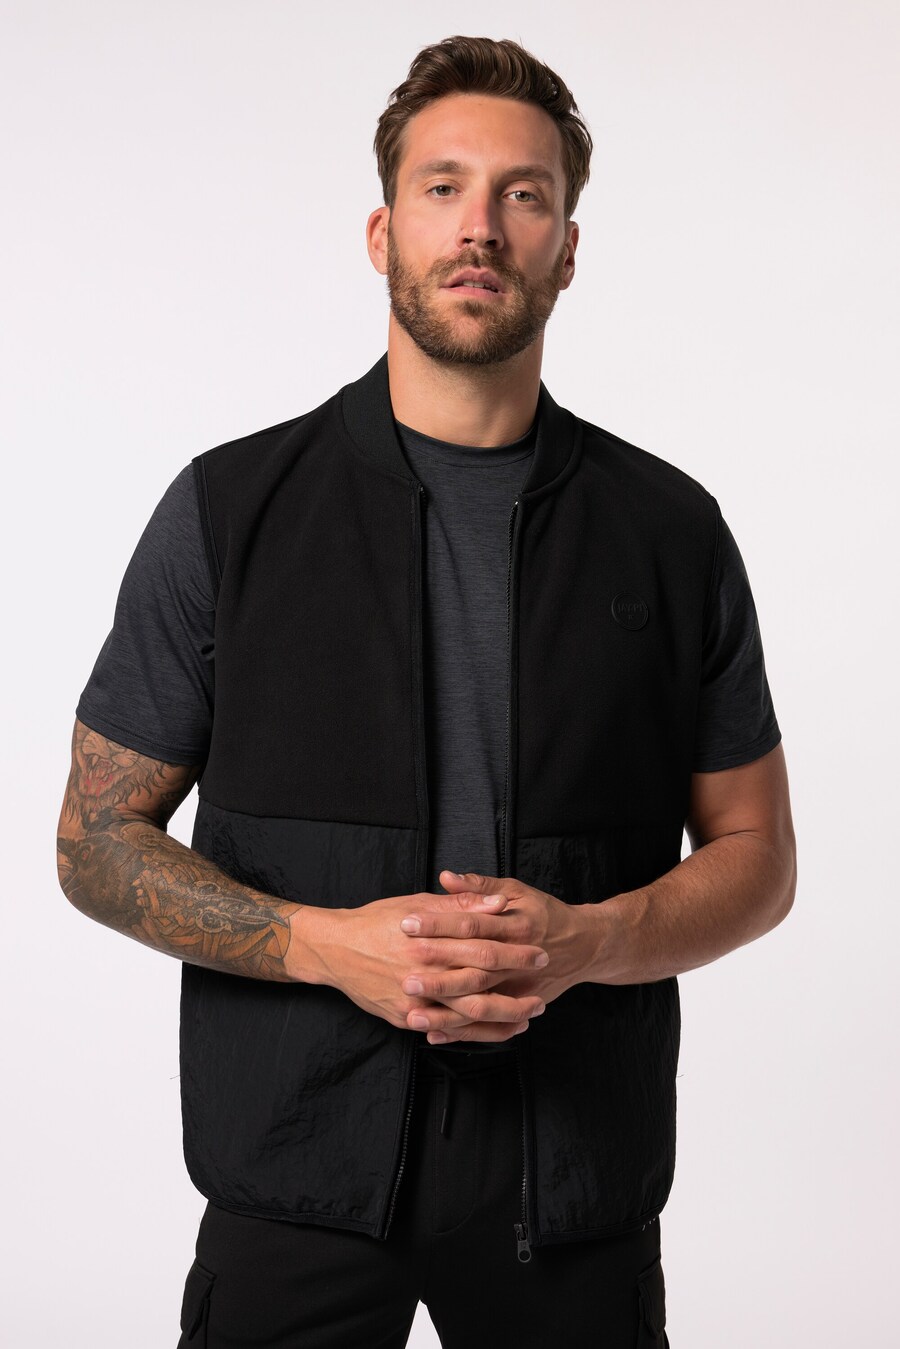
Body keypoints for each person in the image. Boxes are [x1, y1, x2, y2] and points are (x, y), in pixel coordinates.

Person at [56, 34, 796, 1349]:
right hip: (292, 1165)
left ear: (568, 248)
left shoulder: (669, 532)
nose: (481, 227)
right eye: (444, 187)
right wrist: (319, 945)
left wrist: (585, 943)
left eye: (524, 194)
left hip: (573, 1174)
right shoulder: (231, 511)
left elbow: (759, 857)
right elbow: (94, 841)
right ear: (382, 230)